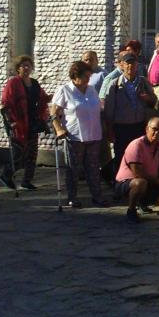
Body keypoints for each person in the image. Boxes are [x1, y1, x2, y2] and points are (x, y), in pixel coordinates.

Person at [51, 60, 108, 208]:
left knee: (94, 168)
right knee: (73, 169)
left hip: (94, 135)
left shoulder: (91, 90)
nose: (88, 79)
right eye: (85, 76)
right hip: (75, 136)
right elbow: (53, 113)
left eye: (89, 76)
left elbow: (99, 109)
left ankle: (97, 196)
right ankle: (72, 197)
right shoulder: (65, 90)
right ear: (76, 76)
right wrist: (58, 129)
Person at [102, 52, 157, 182]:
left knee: (139, 156)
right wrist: (109, 129)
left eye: (133, 63)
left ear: (137, 65)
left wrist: (147, 98)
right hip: (121, 127)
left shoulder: (143, 82)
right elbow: (109, 110)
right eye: (127, 63)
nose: (130, 66)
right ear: (122, 65)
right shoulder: (114, 84)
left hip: (139, 126)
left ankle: (137, 182)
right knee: (121, 156)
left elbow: (154, 100)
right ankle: (120, 183)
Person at [0, 55, 50, 190]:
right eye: (24, 65)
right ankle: (6, 175)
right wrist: (11, 121)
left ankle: (27, 181)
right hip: (19, 124)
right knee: (19, 153)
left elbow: (42, 98)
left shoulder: (34, 83)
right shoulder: (13, 83)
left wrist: (51, 98)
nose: (26, 68)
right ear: (18, 68)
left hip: (33, 122)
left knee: (32, 154)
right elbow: (6, 103)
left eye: (29, 65)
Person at [115, 117, 159, 223]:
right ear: (147, 129)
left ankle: (143, 204)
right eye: (154, 129)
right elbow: (137, 173)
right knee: (140, 183)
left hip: (148, 180)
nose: (157, 132)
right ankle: (131, 210)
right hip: (126, 183)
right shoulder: (136, 145)